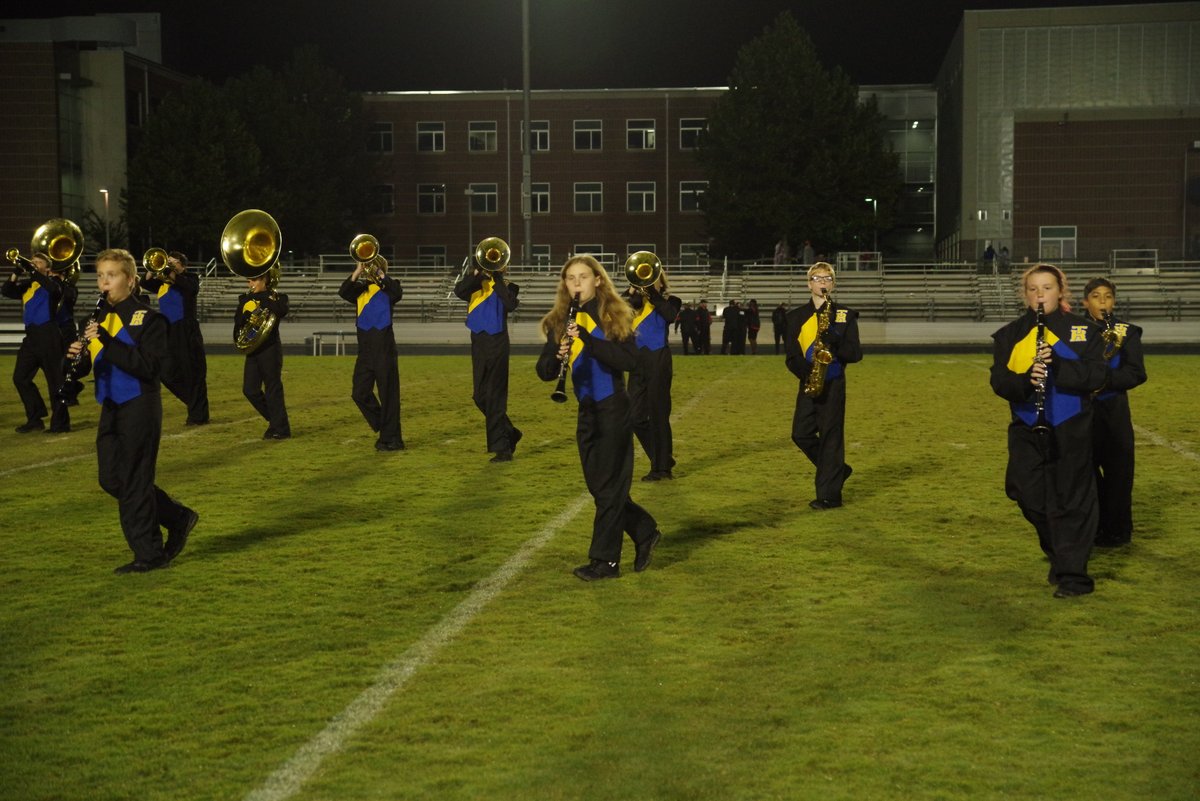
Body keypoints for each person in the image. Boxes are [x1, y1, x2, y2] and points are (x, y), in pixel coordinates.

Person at [65, 249, 198, 573]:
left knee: (135, 480)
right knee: (112, 479)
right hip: (110, 404)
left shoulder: (148, 320)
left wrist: (107, 340)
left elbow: (149, 367)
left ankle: (150, 554)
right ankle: (177, 516)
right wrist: (74, 358)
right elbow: (86, 365)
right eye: (100, 275)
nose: (104, 282)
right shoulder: (93, 321)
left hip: (140, 403)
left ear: (130, 279)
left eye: (111, 275)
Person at [536, 255, 662, 581]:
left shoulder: (613, 315)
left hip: (614, 407)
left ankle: (606, 562)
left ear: (598, 280)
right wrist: (557, 355)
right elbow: (544, 371)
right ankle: (644, 529)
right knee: (600, 487)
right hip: (587, 410)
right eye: (571, 278)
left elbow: (630, 361)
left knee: (609, 488)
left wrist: (587, 340)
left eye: (583, 277)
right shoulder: (558, 321)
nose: (576, 283)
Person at [989, 264, 1107, 598]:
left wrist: (1059, 363)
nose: (1040, 295)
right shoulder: (1010, 335)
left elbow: (1097, 376)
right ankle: (1060, 552)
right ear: (1024, 294)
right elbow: (1000, 382)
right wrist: (1027, 379)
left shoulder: (1084, 331)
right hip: (1027, 427)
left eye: (1047, 288)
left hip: (1072, 426)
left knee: (1072, 500)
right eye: (1033, 289)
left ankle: (1074, 577)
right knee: (1026, 494)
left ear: (1060, 291)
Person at [784, 262, 863, 510]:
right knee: (800, 434)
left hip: (834, 383)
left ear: (833, 283)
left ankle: (829, 496)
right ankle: (837, 470)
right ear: (809, 284)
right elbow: (791, 357)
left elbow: (855, 354)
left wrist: (836, 341)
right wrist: (807, 374)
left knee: (831, 438)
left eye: (828, 278)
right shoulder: (795, 317)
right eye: (817, 278)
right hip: (810, 382)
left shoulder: (844, 315)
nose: (823, 283)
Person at [1082, 277, 1147, 547]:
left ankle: (1118, 530)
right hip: (1082, 412)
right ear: (1085, 302)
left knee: (1119, 472)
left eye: (1107, 296)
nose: (1102, 302)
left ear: (1114, 301)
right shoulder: (1075, 331)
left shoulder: (1127, 332)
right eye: (1096, 296)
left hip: (1114, 410)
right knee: (1084, 470)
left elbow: (1136, 373)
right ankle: (1095, 526)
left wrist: (1104, 381)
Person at [454, 261, 520, 461]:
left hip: (498, 342)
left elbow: (510, 304)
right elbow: (459, 291)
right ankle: (510, 432)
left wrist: (497, 278)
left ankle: (502, 449)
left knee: (495, 397)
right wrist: (477, 274)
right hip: (478, 341)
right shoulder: (475, 284)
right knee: (480, 396)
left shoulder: (509, 286)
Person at [338, 257, 404, 451]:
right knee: (359, 393)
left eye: (372, 266)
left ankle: (392, 440)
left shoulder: (389, 288)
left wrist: (380, 274)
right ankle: (385, 426)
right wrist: (357, 271)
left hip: (384, 350)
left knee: (388, 396)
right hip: (365, 351)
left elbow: (397, 293)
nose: (369, 269)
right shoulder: (360, 290)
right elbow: (343, 292)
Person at [3, 252, 70, 433]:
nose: (33, 264)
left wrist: (33, 270)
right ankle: (35, 418)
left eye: (38, 262)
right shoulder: (29, 285)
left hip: (49, 335)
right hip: (31, 337)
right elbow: (6, 290)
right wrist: (17, 271)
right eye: (32, 262)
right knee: (20, 378)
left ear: (47, 268)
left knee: (55, 381)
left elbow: (53, 290)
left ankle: (60, 424)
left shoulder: (55, 282)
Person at [624, 271, 681, 481]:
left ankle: (661, 469)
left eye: (651, 279)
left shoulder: (671, 300)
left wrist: (652, 293)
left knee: (658, 414)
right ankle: (663, 457)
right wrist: (631, 292)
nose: (646, 282)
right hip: (636, 361)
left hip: (658, 359)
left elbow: (669, 315)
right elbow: (614, 312)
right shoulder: (633, 302)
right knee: (634, 417)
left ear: (661, 282)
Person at [141, 251, 210, 425]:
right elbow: (145, 282)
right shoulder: (163, 283)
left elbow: (191, 288)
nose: (170, 264)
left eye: (174, 261)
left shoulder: (190, 277)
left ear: (182, 264)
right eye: (168, 261)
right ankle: (195, 404)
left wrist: (171, 272)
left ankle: (198, 415)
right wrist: (153, 266)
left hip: (186, 329)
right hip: (169, 331)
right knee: (166, 372)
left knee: (192, 371)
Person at [236, 271, 291, 439]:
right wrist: (246, 318)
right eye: (249, 281)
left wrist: (263, 300)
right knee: (250, 390)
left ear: (264, 280)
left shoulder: (278, 298)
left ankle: (281, 429)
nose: (250, 284)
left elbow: (281, 311)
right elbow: (238, 324)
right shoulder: (245, 299)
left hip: (270, 348)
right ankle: (276, 422)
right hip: (252, 349)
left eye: (253, 280)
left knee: (272, 389)